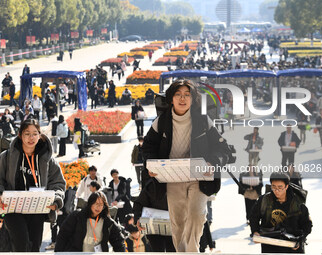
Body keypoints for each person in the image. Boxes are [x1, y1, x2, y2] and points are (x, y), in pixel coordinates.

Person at [142, 79, 228, 252]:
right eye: (178, 95)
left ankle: (192, 251)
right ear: (171, 99)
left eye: (187, 95)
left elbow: (222, 148)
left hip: (198, 177)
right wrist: (151, 165)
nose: (183, 99)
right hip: (172, 177)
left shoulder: (203, 121)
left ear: (193, 99)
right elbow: (148, 148)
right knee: (178, 222)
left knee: (197, 215)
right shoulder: (161, 122)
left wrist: (212, 162)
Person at [0, 119, 66, 252]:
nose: (31, 138)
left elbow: (58, 183)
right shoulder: (6, 157)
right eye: (27, 133)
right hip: (13, 209)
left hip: (37, 208)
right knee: (21, 244)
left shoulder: (48, 159)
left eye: (35, 133)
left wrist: (56, 200)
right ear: (20, 135)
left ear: (40, 135)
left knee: (35, 247)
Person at [250, 172, 312, 253]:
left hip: (292, 247)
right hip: (270, 246)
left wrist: (300, 239)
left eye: (280, 187)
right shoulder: (264, 200)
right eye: (274, 187)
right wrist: (255, 232)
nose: (276, 191)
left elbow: (307, 224)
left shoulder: (298, 203)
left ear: (286, 186)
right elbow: (254, 217)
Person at [55, 192, 126, 252]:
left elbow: (118, 240)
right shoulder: (77, 216)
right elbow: (63, 235)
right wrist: (58, 253)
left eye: (101, 205)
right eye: (96, 204)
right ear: (90, 204)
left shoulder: (107, 222)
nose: (98, 207)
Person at [133, 178, 176, 252]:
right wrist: (138, 218)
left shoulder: (180, 183)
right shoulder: (152, 184)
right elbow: (138, 203)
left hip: (175, 227)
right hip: (154, 228)